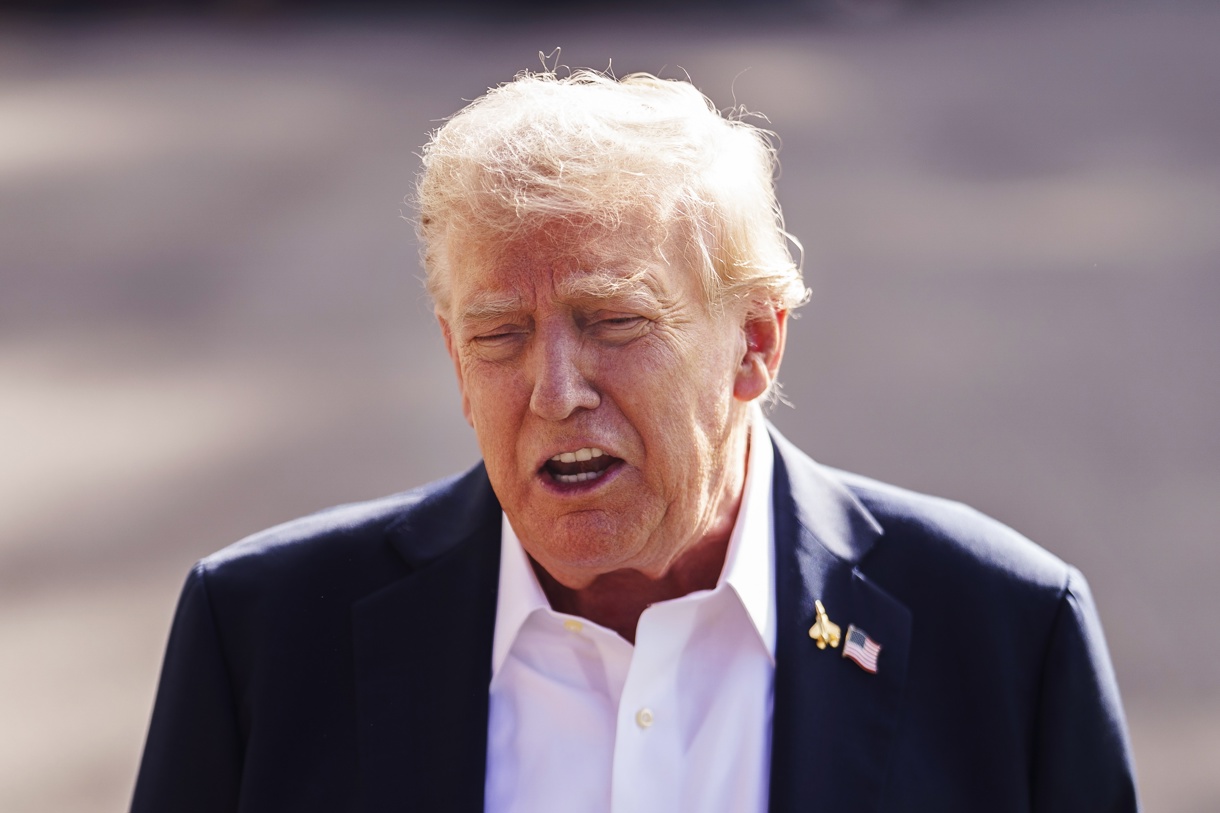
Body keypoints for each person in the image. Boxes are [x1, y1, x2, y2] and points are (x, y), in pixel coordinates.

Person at [131, 70, 1139, 813]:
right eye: (498, 336)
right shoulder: (261, 637)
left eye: (613, 323)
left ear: (752, 343)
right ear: (451, 352)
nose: (554, 393)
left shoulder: (1007, 633)